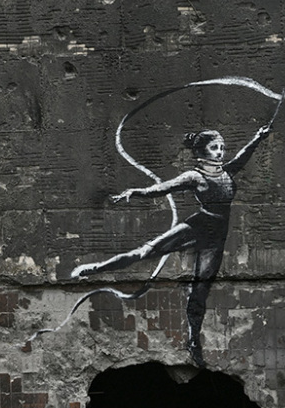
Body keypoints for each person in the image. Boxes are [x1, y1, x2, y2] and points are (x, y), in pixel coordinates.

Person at [71, 125, 272, 366]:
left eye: (222, 148)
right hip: (197, 226)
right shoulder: (194, 176)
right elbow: (163, 188)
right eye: (214, 148)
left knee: (199, 293)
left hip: (215, 240)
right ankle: (93, 269)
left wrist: (258, 137)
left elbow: (243, 156)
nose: (220, 152)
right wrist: (136, 192)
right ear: (202, 152)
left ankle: (194, 342)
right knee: (145, 252)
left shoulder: (227, 173)